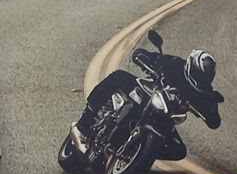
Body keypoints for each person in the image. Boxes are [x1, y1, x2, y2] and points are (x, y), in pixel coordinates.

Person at [75, 46, 222, 142]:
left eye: (203, 78)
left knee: (178, 150)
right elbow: (151, 57)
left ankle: (141, 151)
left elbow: (214, 122)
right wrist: (143, 57)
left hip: (165, 116)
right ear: (191, 66)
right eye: (197, 74)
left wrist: (212, 108)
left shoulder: (204, 91)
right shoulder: (176, 64)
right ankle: (85, 119)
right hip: (147, 92)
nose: (199, 79)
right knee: (118, 76)